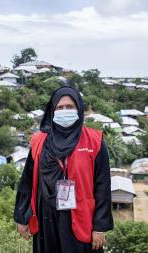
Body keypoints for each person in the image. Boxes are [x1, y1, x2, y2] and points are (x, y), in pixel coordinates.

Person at [14, 86, 113, 253]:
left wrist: (100, 227)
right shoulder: (39, 141)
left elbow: (103, 187)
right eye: (60, 108)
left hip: (80, 216)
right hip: (46, 216)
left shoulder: (94, 142)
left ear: (79, 109)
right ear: (52, 111)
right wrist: (22, 217)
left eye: (70, 107)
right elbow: (27, 181)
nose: (64, 111)